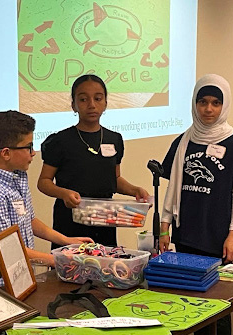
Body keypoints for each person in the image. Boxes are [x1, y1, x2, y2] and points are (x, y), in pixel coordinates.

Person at [159, 74, 233, 335]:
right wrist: (164, 227)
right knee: (190, 300)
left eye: (216, 103)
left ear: (224, 105)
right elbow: (173, 186)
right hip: (185, 232)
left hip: (216, 236)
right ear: (194, 103)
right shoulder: (184, 140)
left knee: (217, 304)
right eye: (203, 102)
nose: (209, 109)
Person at [0, 110, 93, 283]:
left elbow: (29, 220)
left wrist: (67, 242)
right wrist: (59, 260)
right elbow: (9, 250)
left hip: (21, 278)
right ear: (6, 153)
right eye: (28, 147)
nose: (33, 152)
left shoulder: (18, 178)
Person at [38, 74, 149, 248]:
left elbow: (115, 179)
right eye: (83, 99)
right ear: (73, 105)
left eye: (98, 98)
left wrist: (134, 190)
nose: (91, 105)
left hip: (105, 219)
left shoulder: (115, 139)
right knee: (69, 271)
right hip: (69, 221)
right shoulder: (60, 141)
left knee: (106, 269)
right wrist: (64, 193)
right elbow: (43, 182)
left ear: (105, 103)